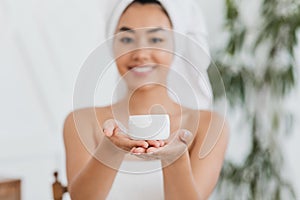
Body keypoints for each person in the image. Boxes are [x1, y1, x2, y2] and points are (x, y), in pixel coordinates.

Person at [63, 0, 229, 199]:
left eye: (156, 39)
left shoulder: (209, 125)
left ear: (176, 46)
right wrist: (111, 149)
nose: (140, 54)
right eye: (126, 39)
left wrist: (173, 159)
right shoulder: (81, 122)